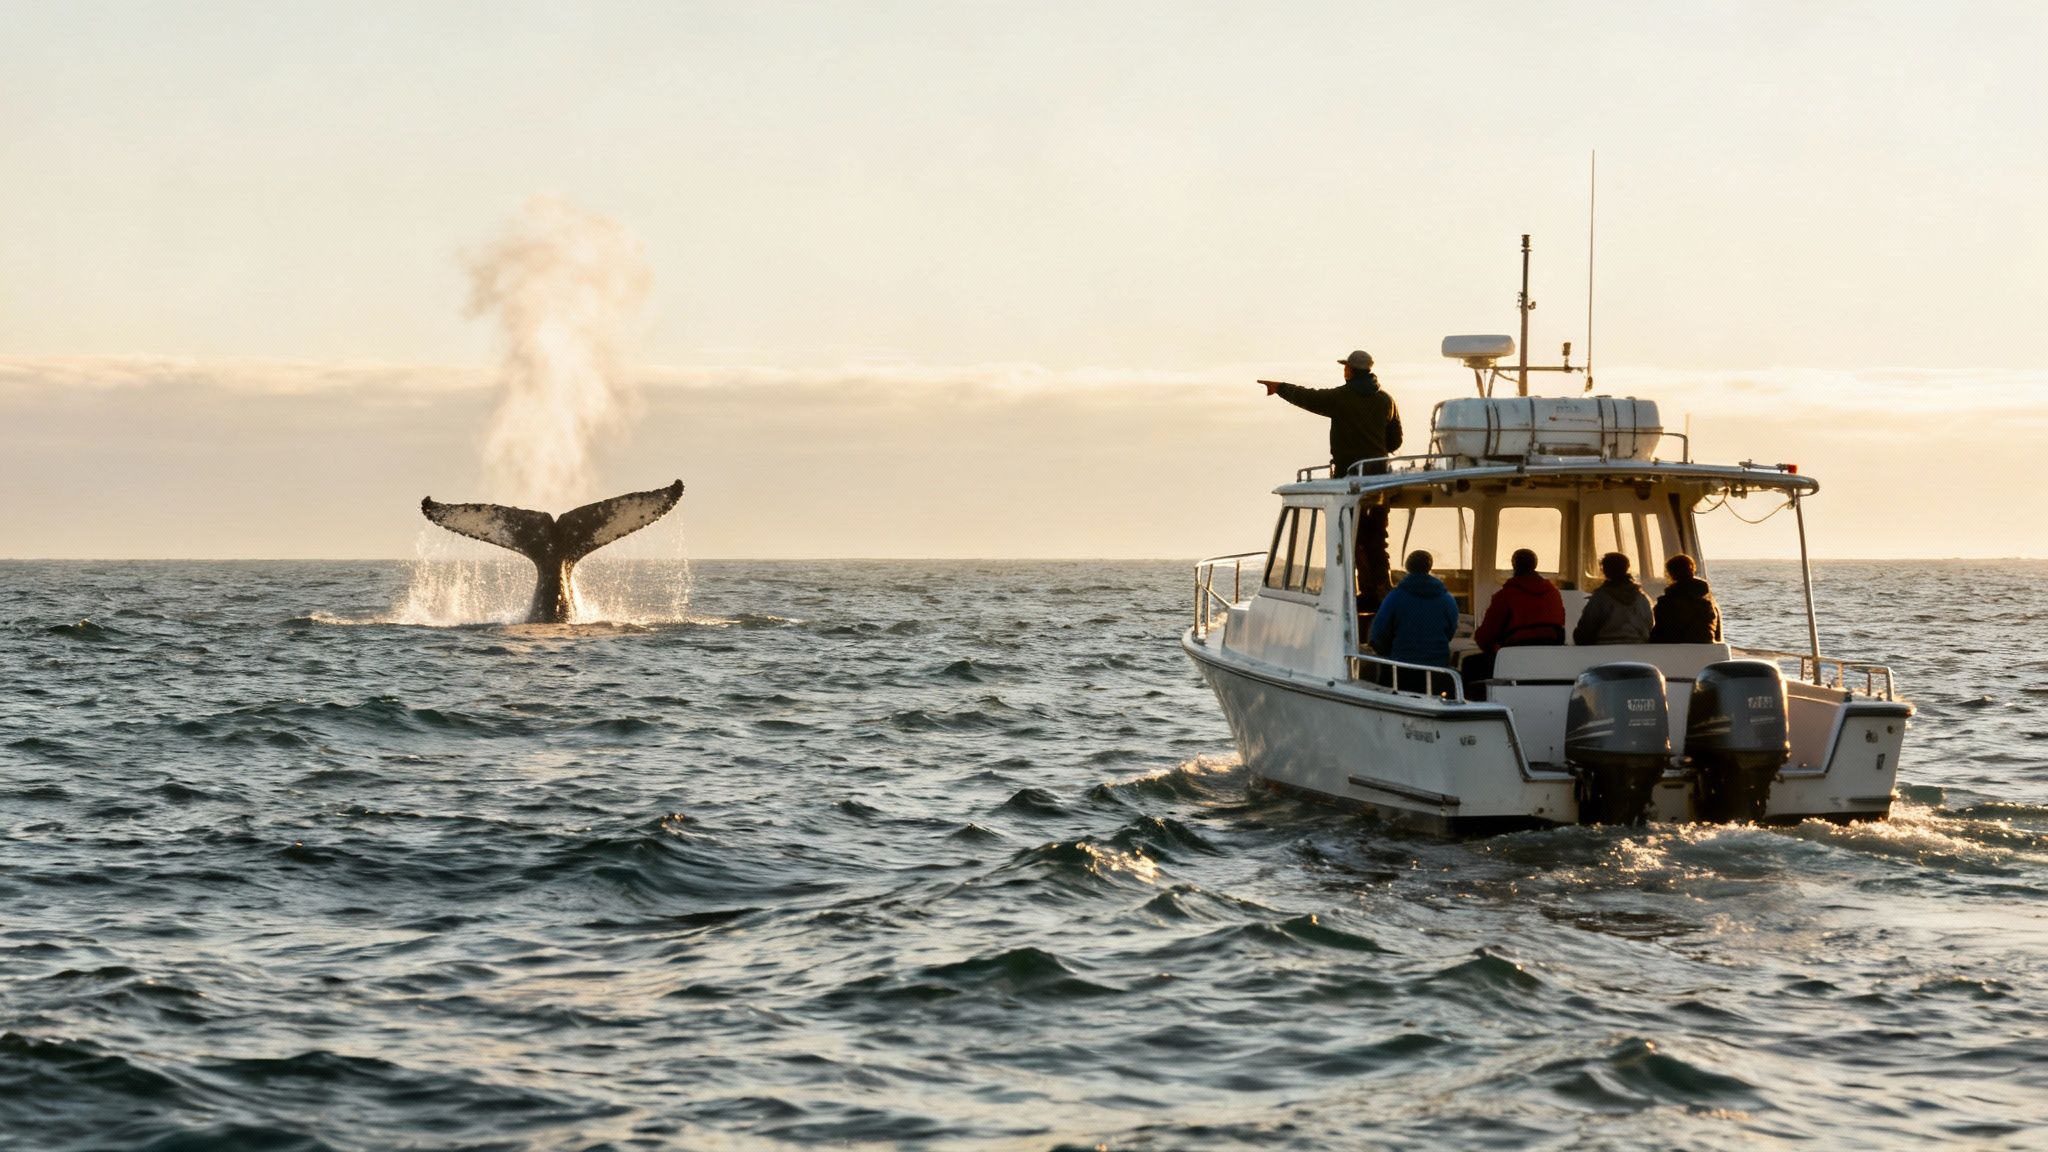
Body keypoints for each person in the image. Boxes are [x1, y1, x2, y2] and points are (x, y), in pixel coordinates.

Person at [1262, 350, 1404, 599]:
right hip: (1380, 479)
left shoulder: (1341, 398)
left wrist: (1280, 388)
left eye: (1345, 367)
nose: (1344, 370)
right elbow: (1395, 441)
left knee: (1352, 536)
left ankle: (1365, 592)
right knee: (1378, 538)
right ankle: (1383, 588)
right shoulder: (1386, 400)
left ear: (1350, 370)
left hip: (1348, 478)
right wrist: (1374, 450)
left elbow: (1307, 397)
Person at [1461, 548, 1567, 696]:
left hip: (1513, 658)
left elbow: (1485, 636)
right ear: (1535, 565)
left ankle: (1476, 710)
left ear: (1514, 565)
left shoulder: (1505, 596)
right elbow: (1561, 622)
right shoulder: (1553, 594)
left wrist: (1492, 647)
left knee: (1469, 664)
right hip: (1548, 658)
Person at [1368, 550, 1460, 693]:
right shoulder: (1447, 599)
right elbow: (1450, 632)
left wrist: (1387, 651)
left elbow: (1378, 634)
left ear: (1407, 567)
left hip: (1402, 671)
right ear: (1429, 567)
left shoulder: (1395, 597)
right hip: (1437, 672)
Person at [1573, 551, 1653, 645]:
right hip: (1637, 646)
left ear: (1605, 570)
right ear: (1627, 568)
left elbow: (1587, 627)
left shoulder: (1600, 597)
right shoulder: (1641, 598)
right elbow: (1649, 625)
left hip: (1605, 647)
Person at [1650, 553, 1723, 643]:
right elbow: (1717, 634)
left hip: (1675, 650)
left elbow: (1659, 632)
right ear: (1692, 570)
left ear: (1671, 574)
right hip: (1706, 646)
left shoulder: (1665, 603)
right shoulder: (1708, 600)